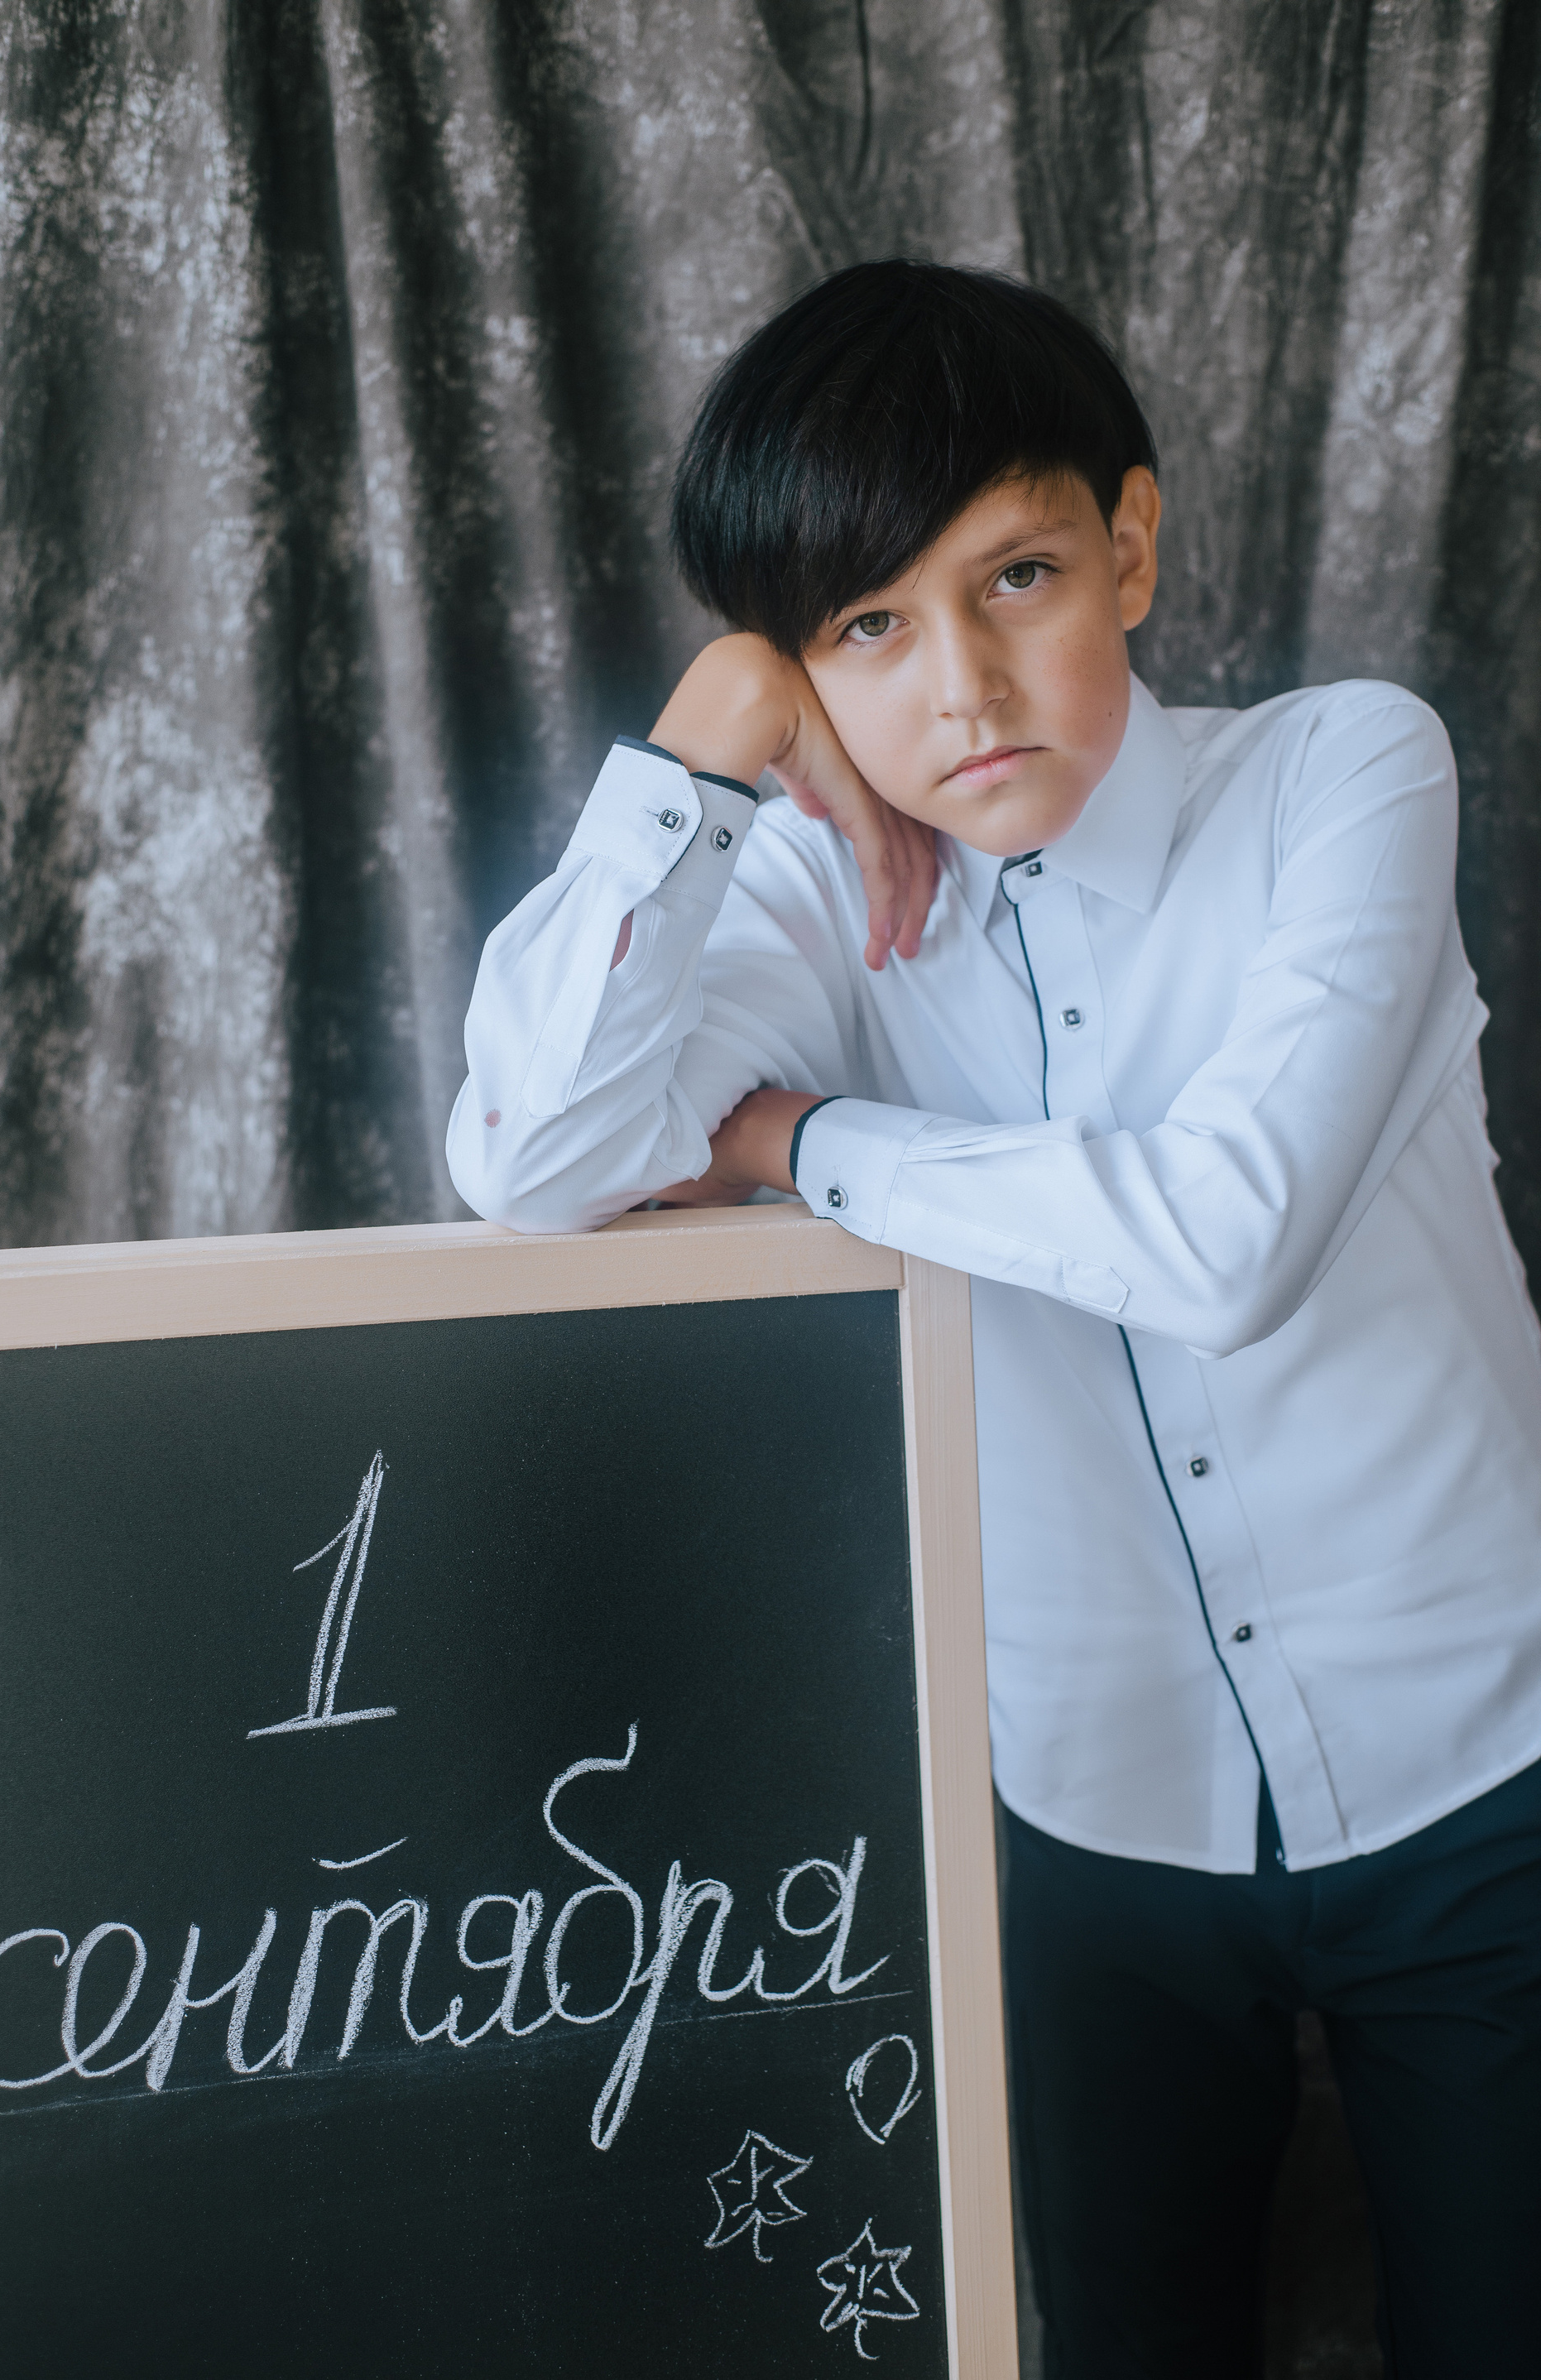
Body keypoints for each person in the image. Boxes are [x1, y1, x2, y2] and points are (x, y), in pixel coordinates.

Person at [447, 260, 1541, 2378]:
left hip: (1484, 1765)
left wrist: (805, 1141)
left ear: (1129, 547)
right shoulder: (798, 899)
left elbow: (1226, 1239)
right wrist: (709, 738)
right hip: (1095, 1811)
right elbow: (531, 1155)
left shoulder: (1344, 773)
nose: (961, 688)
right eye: (865, 628)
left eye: (1016, 578)